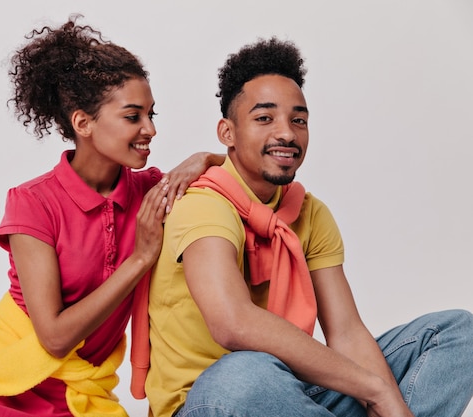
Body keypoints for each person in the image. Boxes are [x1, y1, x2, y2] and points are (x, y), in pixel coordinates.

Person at [137, 37, 473, 417]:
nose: (286, 133)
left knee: (458, 333)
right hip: (212, 400)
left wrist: (385, 399)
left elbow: (345, 333)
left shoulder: (309, 213)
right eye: (264, 118)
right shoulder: (203, 205)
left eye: (298, 120)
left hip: (292, 395)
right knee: (245, 372)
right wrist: (376, 391)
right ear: (227, 132)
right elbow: (232, 324)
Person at [0, 16, 223, 417]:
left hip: (84, 394)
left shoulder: (150, 191)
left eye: (152, 114)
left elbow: (238, 169)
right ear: (83, 122)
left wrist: (203, 157)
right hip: (4, 383)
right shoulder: (33, 202)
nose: (150, 129)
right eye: (133, 116)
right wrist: (140, 258)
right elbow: (55, 337)